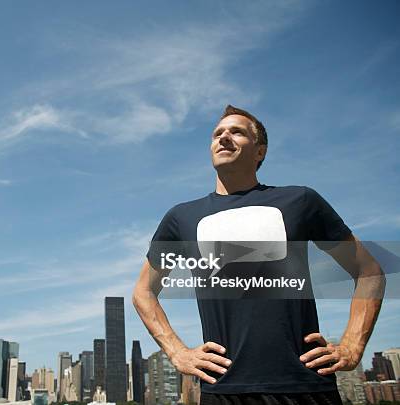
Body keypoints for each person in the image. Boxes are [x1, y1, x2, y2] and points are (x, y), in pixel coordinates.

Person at [132, 105, 385, 405]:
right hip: (223, 388)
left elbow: (370, 272)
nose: (224, 137)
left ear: (260, 151)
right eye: (217, 133)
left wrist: (352, 344)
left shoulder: (300, 201)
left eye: (236, 132)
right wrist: (177, 351)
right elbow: (144, 292)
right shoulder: (181, 217)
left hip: (305, 386)